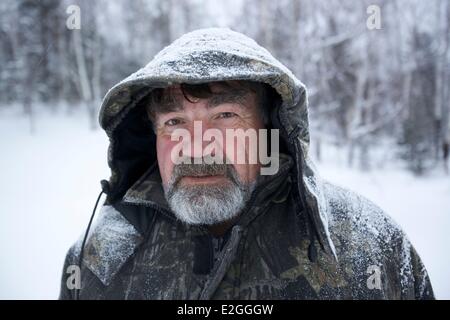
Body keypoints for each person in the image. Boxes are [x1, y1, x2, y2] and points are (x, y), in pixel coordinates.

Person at [59, 28, 434, 300]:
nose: (198, 146)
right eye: (174, 122)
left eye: (224, 115)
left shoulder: (364, 248)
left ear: (269, 129)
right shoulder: (102, 253)